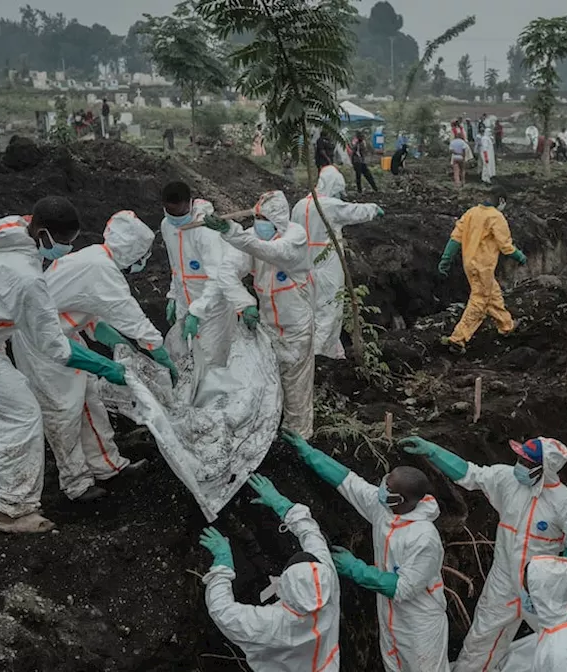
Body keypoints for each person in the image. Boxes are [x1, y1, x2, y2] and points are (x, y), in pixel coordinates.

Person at [0, 197, 128, 534]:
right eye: (62, 243)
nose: (65, 250)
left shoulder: (5, 226)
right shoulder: (25, 277)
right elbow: (54, 346)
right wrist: (102, 365)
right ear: (42, 233)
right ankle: (15, 511)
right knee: (21, 417)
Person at [15, 211, 176, 503]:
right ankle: (76, 483)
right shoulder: (102, 269)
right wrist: (160, 354)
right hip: (40, 344)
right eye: (143, 255)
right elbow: (131, 316)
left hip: (64, 332)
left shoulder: (93, 259)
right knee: (63, 412)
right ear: (134, 252)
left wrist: (115, 341)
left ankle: (108, 466)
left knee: (91, 400)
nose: (143, 261)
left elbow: (88, 309)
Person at [400, 436, 567, 672]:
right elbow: (469, 474)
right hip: (503, 581)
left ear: (545, 468)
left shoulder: (566, 502)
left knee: (563, 641)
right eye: (520, 458)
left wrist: (558, 585)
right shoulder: (506, 479)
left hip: (542, 588)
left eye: (527, 462)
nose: (519, 465)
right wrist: (433, 451)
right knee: (482, 639)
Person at [284, 431, 449, 672]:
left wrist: (357, 570)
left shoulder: (424, 538)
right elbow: (348, 481)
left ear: (400, 499)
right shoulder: (385, 508)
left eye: (388, 486)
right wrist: (310, 454)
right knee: (393, 666)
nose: (381, 487)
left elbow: (404, 588)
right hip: (391, 615)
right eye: (386, 479)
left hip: (419, 622)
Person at [199, 474, 341, 671]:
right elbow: (313, 537)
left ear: (283, 588)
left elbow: (221, 611)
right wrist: (284, 506)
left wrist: (222, 567)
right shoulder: (329, 584)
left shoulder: (270, 625)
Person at [205, 192, 315, 437]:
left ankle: (299, 436)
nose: (258, 223)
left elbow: (271, 251)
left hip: (295, 325)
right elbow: (227, 272)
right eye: (256, 217)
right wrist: (244, 303)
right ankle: (268, 431)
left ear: (277, 218)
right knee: (267, 382)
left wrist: (231, 232)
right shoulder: (252, 237)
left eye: (263, 217)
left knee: (296, 385)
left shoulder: (295, 237)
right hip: (267, 325)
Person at [160, 182, 252, 372]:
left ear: (190, 204)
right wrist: (173, 296)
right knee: (187, 361)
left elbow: (218, 277)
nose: (175, 217)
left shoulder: (204, 230)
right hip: (186, 305)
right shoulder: (167, 226)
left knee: (210, 364)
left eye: (180, 212)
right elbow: (176, 266)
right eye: (171, 213)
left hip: (213, 310)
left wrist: (198, 310)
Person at [292, 166, 382, 359]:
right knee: (329, 311)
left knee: (309, 311)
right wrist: (374, 209)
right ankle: (320, 355)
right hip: (327, 265)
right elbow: (352, 211)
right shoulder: (328, 205)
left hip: (303, 265)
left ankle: (327, 350)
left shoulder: (300, 205)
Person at [437, 187, 526, 352]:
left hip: (469, 264)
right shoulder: (496, 217)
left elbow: (455, 238)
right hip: (483, 266)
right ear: (501, 201)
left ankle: (506, 326)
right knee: (479, 299)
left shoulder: (471, 213)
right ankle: (458, 338)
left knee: (493, 293)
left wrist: (446, 259)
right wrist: (520, 256)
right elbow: (505, 246)